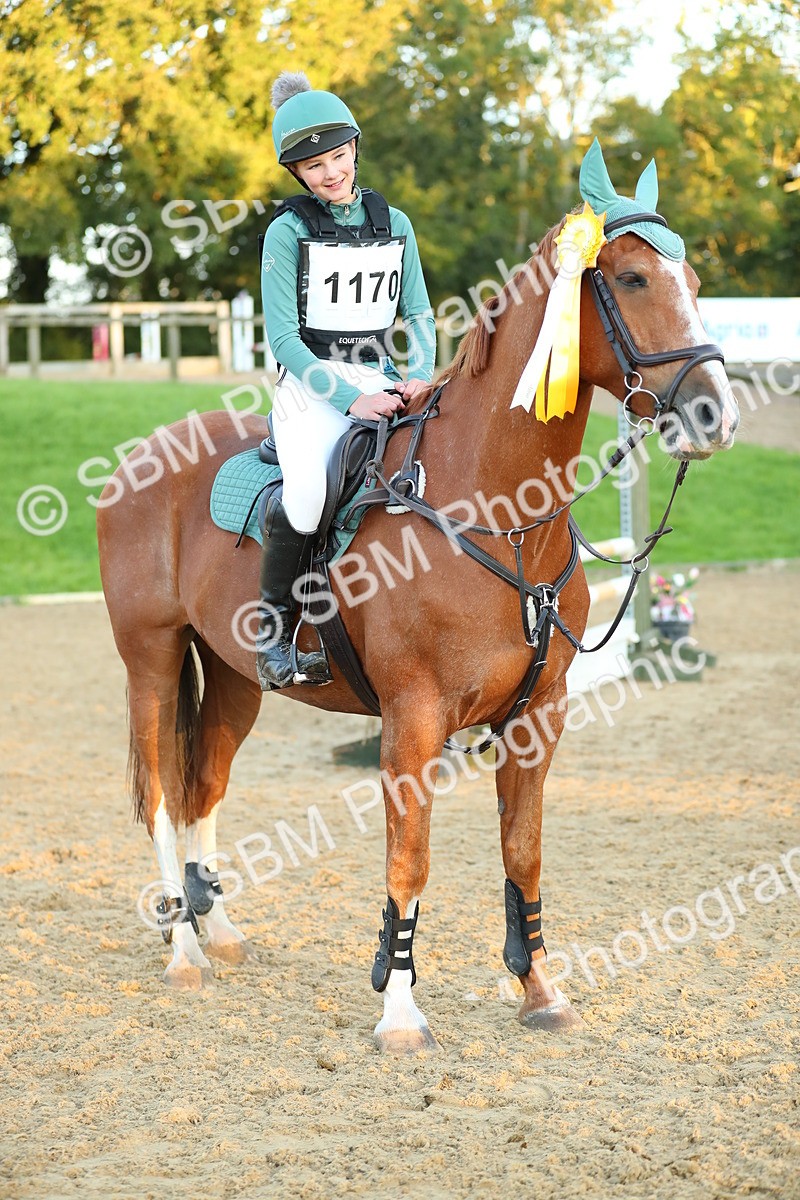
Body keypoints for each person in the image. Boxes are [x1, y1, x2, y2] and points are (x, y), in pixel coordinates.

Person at [256, 71, 437, 691]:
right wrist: (350, 398)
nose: (330, 172)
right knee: (307, 494)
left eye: (337, 157)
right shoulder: (287, 231)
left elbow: (418, 313)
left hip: (383, 374)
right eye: (314, 166)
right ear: (297, 174)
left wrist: (417, 375)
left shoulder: (397, 222)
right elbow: (283, 339)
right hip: (310, 386)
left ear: (354, 150)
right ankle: (274, 632)